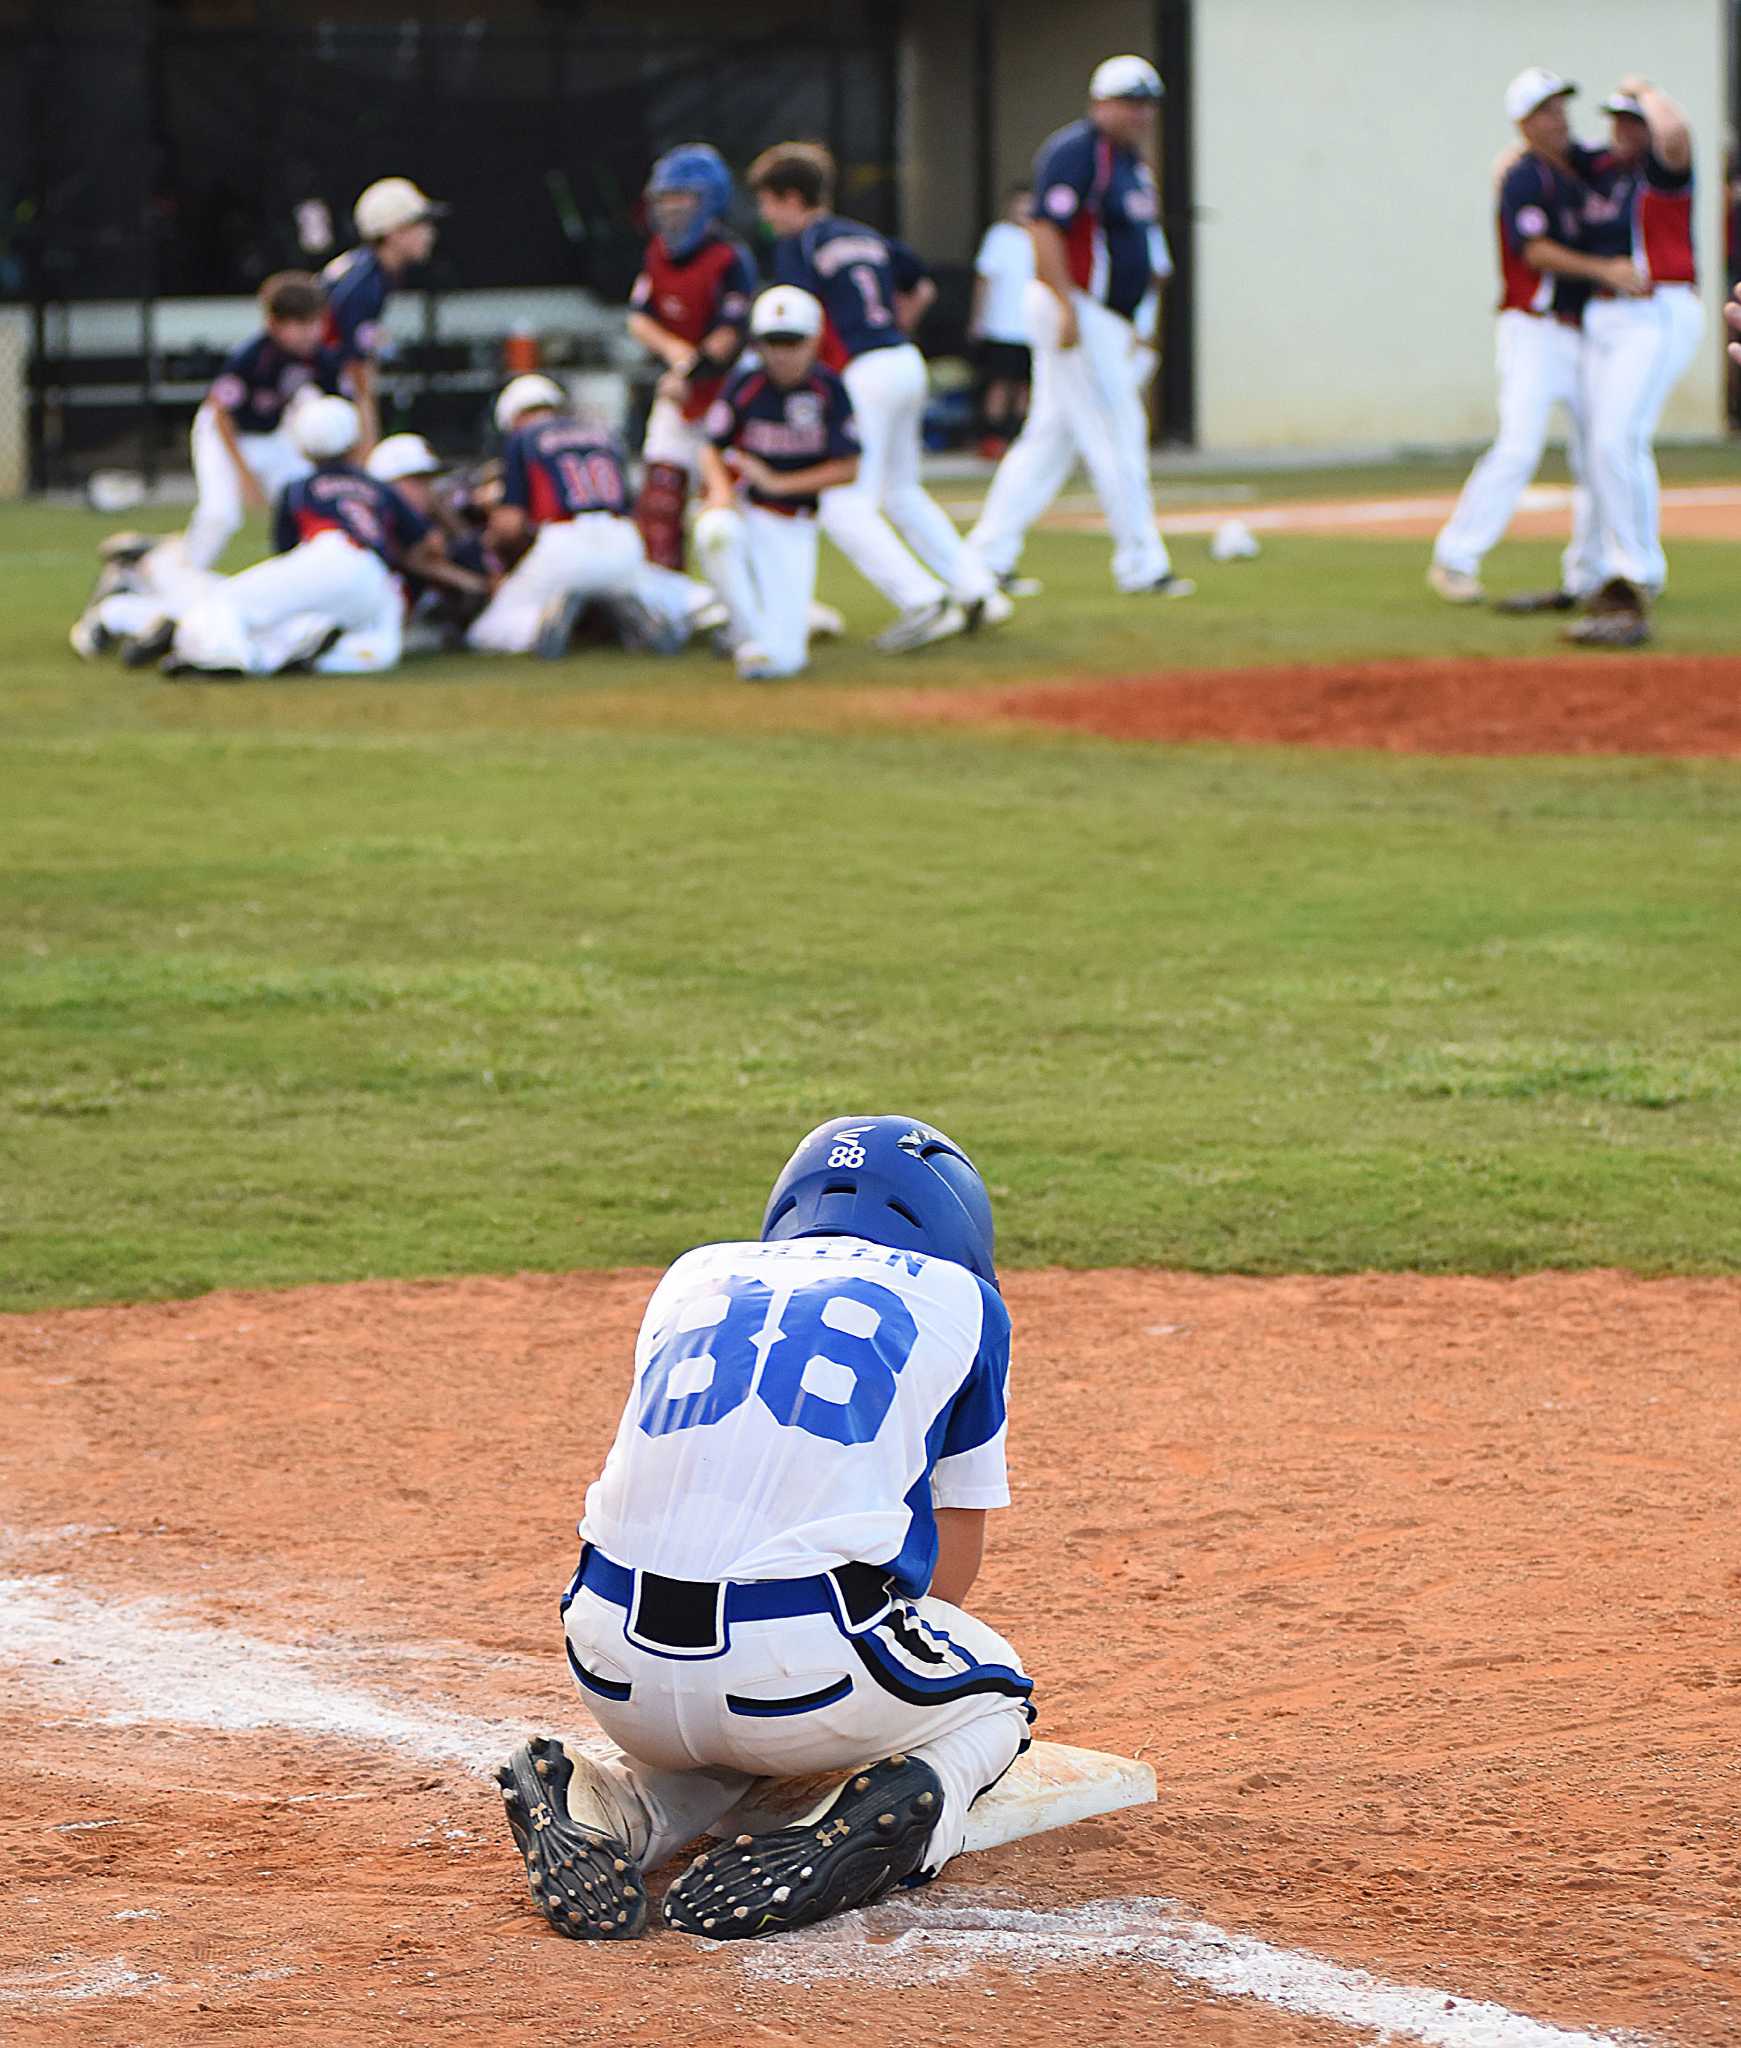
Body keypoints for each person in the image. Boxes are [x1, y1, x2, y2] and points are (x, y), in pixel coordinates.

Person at [493, 1114, 1033, 1943]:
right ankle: (906, 1819)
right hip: (796, 1667)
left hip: (608, 1658)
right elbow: (951, 1563)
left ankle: (613, 1809)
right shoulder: (966, 1302)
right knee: (998, 1696)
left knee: (731, 1730)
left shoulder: (693, 1274)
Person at [750, 142, 1006, 652]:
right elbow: (922, 287)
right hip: (904, 359)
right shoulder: (864, 235)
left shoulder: (800, 245)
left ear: (793, 198)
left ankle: (922, 600)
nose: (765, 215)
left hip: (864, 371)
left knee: (843, 502)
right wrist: (893, 326)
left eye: (768, 202)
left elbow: (801, 321)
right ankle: (978, 589)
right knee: (902, 491)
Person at [966, 55, 1192, 600]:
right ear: (1100, 103)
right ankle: (1142, 563)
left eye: (1147, 104)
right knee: (1118, 430)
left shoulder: (1133, 163)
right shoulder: (1079, 151)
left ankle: (984, 558)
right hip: (1078, 308)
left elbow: (1142, 252)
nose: (1141, 114)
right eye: (1130, 102)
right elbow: (1045, 228)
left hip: (1105, 316)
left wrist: (1136, 320)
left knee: (1049, 439)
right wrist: (1067, 304)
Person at [1428, 70, 1647, 608]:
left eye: (1560, 106)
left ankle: (1592, 570)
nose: (1559, 117)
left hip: (1580, 333)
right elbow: (1536, 251)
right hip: (1533, 329)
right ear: (1523, 124)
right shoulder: (1524, 176)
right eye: (1546, 110)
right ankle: (1456, 558)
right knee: (1520, 446)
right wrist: (1604, 269)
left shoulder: (1578, 166)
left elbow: (1625, 155)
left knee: (1597, 453)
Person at [88, 271, 349, 616]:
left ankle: (310, 588)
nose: (311, 333)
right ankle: (165, 582)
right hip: (223, 434)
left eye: (316, 323)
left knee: (305, 498)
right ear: (274, 324)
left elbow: (338, 406)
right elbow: (223, 414)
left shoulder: (322, 359)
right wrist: (245, 477)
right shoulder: (251, 357)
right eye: (301, 324)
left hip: (271, 436)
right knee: (220, 514)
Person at [154, 395, 459, 677]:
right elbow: (430, 544)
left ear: (303, 447)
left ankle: (225, 655)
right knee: (380, 648)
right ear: (354, 443)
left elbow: (286, 553)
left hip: (329, 553)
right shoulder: (378, 488)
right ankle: (316, 646)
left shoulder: (298, 488)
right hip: (377, 577)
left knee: (223, 602)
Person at [1558, 78, 1705, 644]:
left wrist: (1646, 91)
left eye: (1633, 120)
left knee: (1618, 438)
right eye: (1617, 118)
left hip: (1656, 309)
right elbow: (1524, 157)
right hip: (1604, 316)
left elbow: (1677, 133)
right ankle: (1590, 573)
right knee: (1593, 446)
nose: (1623, 127)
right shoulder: (1601, 171)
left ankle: (1636, 574)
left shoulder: (1660, 173)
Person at [465, 374, 714, 660]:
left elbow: (510, 525)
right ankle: (678, 613)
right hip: (622, 539)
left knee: (487, 629)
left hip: (564, 542)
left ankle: (540, 625)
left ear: (513, 416)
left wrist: (492, 536)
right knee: (655, 585)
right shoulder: (603, 431)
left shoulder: (524, 438)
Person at [693, 286, 860, 680]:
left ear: (814, 341)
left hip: (793, 522)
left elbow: (848, 467)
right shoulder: (746, 383)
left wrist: (779, 482)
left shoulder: (829, 389)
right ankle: (747, 634)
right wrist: (720, 490)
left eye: (792, 342)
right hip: (747, 510)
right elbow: (711, 446)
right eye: (773, 343)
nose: (782, 354)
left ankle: (773, 628)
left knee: (785, 661)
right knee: (715, 531)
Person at [628, 144, 758, 571]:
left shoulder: (729, 258)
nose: (670, 210)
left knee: (728, 506)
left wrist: (688, 369)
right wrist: (674, 353)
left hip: (727, 391)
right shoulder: (657, 253)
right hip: (681, 389)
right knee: (660, 499)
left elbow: (727, 338)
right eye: (664, 199)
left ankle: (744, 590)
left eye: (680, 198)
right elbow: (640, 319)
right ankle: (668, 592)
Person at [321, 177, 445, 452]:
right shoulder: (364, 285)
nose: (429, 233)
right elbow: (356, 370)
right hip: (308, 396)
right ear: (393, 232)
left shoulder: (372, 271)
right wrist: (368, 441)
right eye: (419, 224)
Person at [364, 433, 501, 654]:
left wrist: (441, 511)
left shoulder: (431, 524)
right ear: (386, 486)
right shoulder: (376, 525)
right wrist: (473, 585)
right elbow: (415, 558)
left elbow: (466, 542)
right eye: (416, 481)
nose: (427, 489)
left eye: (428, 481)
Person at [970, 188, 1033, 458]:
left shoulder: (1041, 236)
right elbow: (984, 278)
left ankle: (1018, 435)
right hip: (1002, 326)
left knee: (1026, 386)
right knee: (1000, 382)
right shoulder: (999, 236)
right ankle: (992, 436)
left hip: (1032, 328)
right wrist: (978, 318)